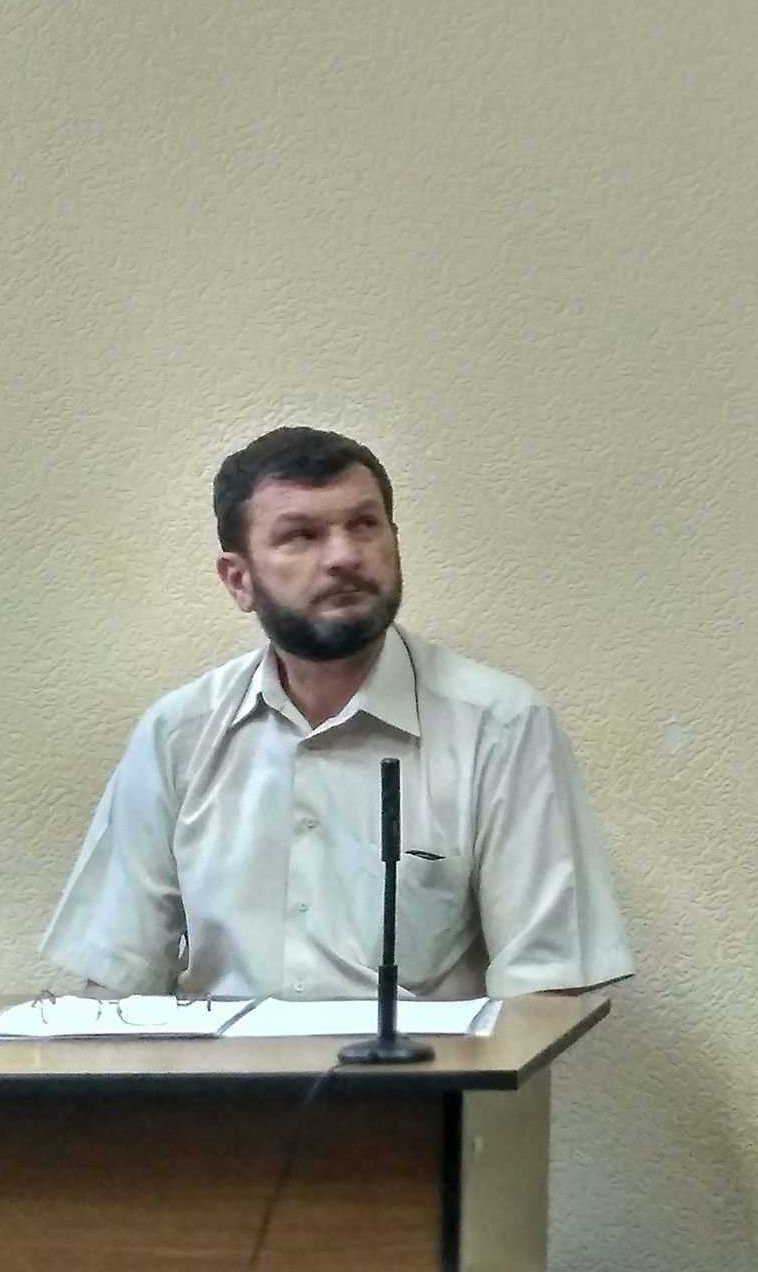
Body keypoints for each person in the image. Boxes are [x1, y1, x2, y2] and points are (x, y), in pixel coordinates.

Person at [42, 426, 633, 1001]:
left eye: (364, 525)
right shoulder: (178, 733)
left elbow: (547, 990)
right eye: (301, 536)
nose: (345, 556)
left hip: (423, 1069)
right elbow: (117, 981)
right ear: (239, 580)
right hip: (225, 1070)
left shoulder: (499, 726)